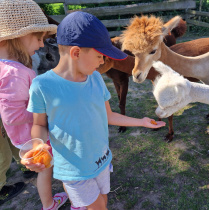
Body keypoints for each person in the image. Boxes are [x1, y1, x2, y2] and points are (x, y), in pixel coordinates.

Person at [23, 11, 166, 210]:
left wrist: (140, 121)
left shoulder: (96, 79)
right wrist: (37, 148)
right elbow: (38, 124)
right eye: (100, 56)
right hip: (74, 170)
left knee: (102, 201)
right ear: (76, 53)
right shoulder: (42, 86)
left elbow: (108, 115)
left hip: (102, 160)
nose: (102, 62)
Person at [0, 0, 68, 209]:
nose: (41, 44)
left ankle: (49, 204)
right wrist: (45, 110)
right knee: (63, 164)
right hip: (33, 135)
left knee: (45, 169)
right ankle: (79, 200)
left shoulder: (6, 68)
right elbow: (12, 116)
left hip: (23, 136)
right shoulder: (16, 74)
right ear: (16, 38)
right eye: (38, 38)